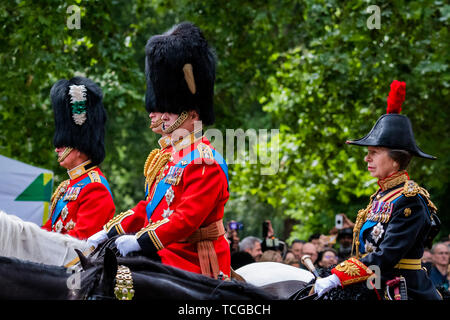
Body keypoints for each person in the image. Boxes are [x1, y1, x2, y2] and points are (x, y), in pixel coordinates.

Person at [89, 22, 231, 280]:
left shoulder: (204, 161)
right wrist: (110, 231)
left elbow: (185, 220)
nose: (162, 115)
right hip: (165, 251)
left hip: (193, 259)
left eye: (170, 109)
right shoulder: (169, 159)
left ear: (194, 114)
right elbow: (149, 208)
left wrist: (140, 241)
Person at [314, 80, 442, 300]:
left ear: (396, 160)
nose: (367, 158)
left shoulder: (410, 199)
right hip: (375, 284)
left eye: (374, 152)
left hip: (403, 291)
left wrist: (338, 276)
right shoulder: (382, 196)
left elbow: (387, 255)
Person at [42, 77, 115, 239]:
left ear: (80, 146)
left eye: (63, 143)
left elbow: (81, 243)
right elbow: (48, 231)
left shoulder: (95, 188)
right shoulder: (66, 186)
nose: (57, 148)